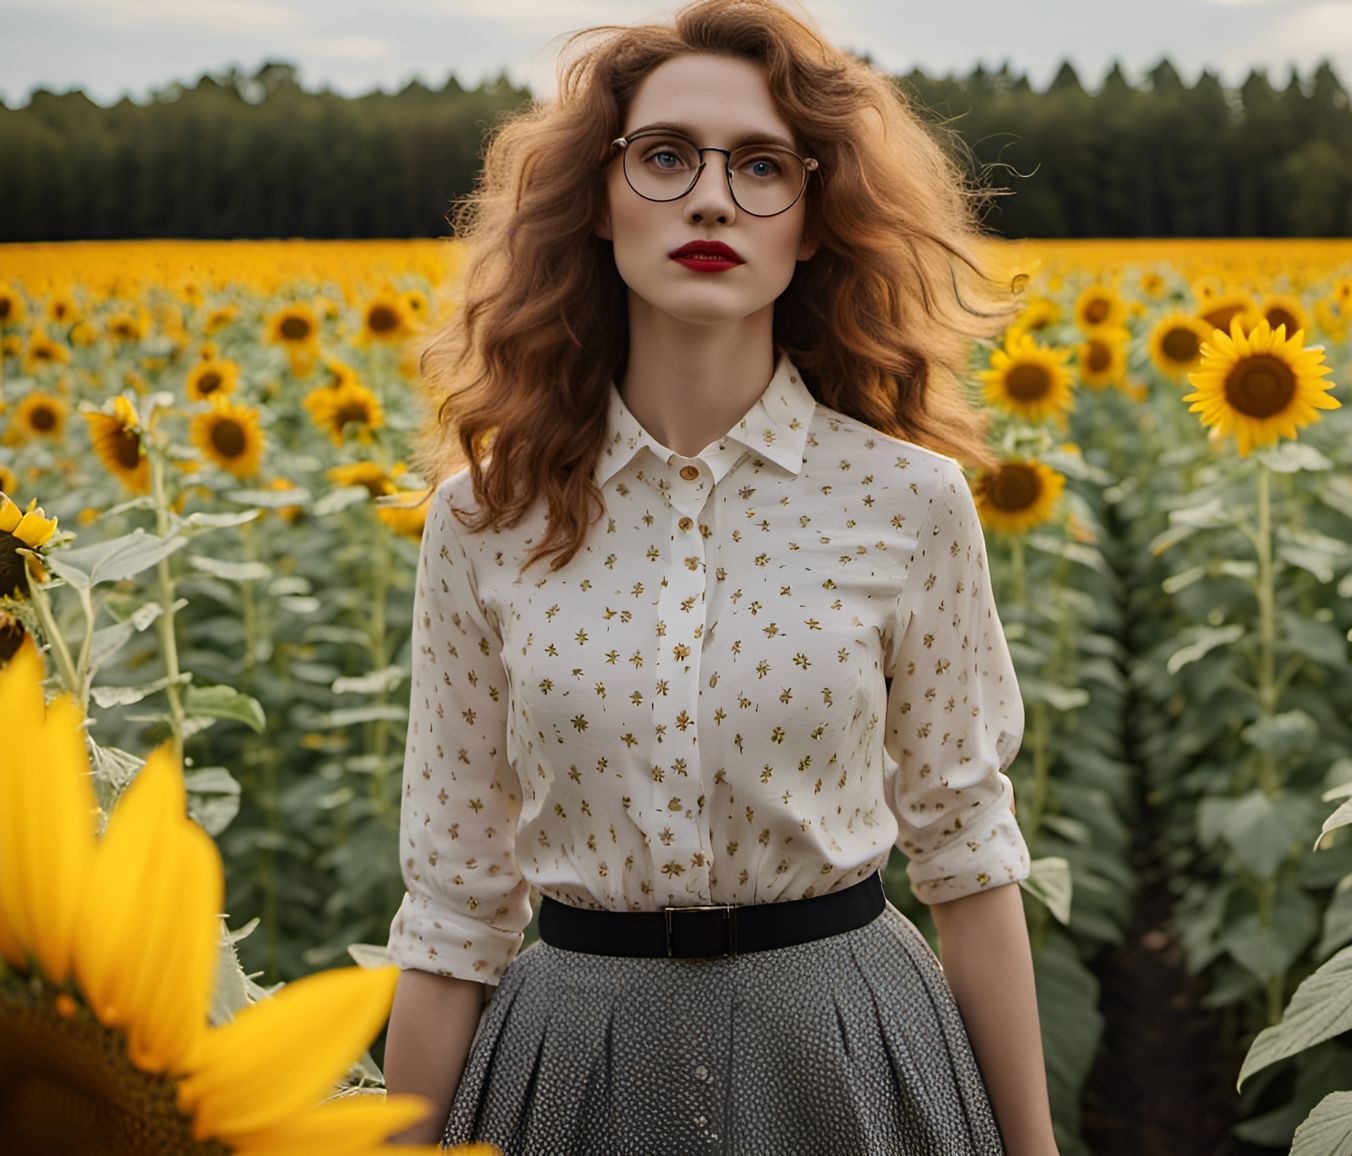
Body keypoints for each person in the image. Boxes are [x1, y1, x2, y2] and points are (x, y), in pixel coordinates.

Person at [380, 1, 1057, 1152]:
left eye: (760, 167)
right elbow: (453, 905)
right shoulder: (484, 519)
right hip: (568, 1068)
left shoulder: (910, 501)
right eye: (663, 157)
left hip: (850, 1053)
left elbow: (968, 852)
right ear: (596, 200)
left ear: (812, 217)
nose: (709, 198)